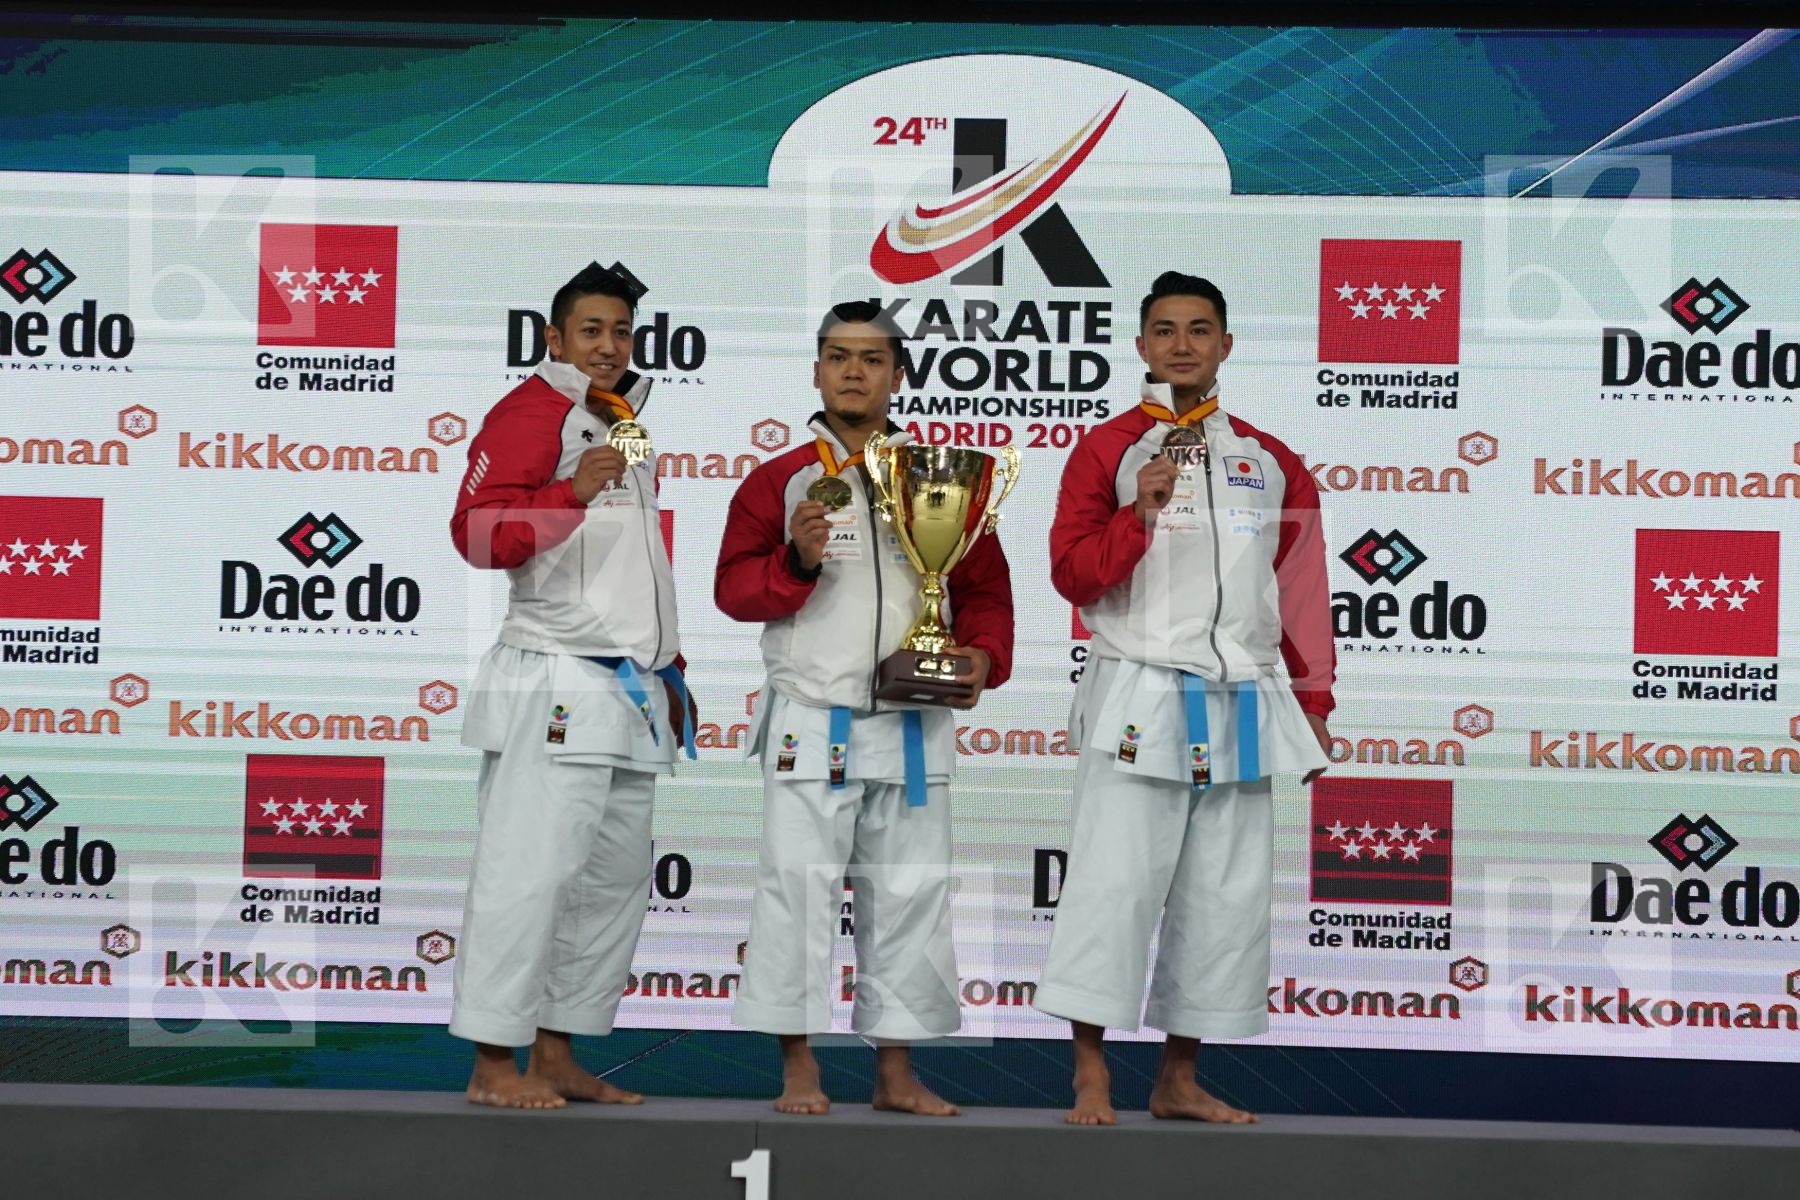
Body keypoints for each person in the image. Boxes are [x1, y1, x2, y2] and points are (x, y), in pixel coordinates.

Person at [1033, 271, 1335, 1126]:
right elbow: (1072, 574)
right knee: (1113, 884)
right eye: (1164, 330)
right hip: (1141, 688)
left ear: (1225, 345)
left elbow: (1301, 588)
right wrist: (1137, 514)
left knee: (1223, 896)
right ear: (1141, 345)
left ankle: (1178, 1078)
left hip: (1244, 697)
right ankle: (1090, 1073)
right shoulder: (1108, 449)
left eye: (1199, 329)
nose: (1181, 345)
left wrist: (1315, 704)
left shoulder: (1270, 460)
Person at [714, 301, 1015, 1117]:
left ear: (898, 374)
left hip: (913, 724)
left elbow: (984, 588)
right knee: (797, 894)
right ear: (816, 370)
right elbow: (734, 590)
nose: (855, 371)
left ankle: (896, 1074)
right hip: (814, 718)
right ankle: (799, 1068)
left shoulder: (941, 477)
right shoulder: (780, 480)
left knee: (912, 897)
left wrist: (983, 654)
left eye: (873, 358)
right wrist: (795, 560)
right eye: (839, 356)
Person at [447, 263, 694, 1109]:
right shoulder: (530, 412)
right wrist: (568, 491)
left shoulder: (622, 418)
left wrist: (669, 669)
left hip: (628, 690)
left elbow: (630, 567)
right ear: (554, 338)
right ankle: (492, 1065)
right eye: (591, 330)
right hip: (553, 675)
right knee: (527, 877)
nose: (608, 345)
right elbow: (476, 536)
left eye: (620, 332)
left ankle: (555, 1054)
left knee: (607, 886)